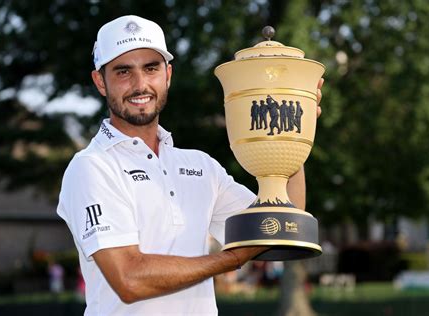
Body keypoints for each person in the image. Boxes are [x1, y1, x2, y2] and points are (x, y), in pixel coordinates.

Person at [57, 15, 324, 315]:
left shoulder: (200, 166)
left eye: (151, 68)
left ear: (167, 74)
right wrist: (232, 259)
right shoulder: (91, 167)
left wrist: (290, 131)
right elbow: (129, 279)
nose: (140, 84)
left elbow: (283, 223)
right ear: (100, 82)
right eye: (123, 71)